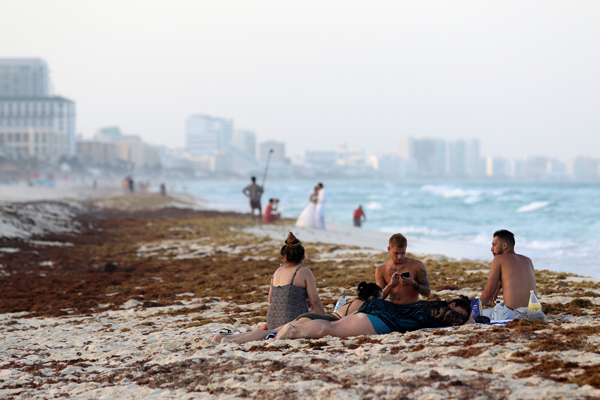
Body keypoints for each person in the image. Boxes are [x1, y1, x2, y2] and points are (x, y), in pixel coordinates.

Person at [217, 282, 382, 344]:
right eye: (379, 299)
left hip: (311, 317)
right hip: (320, 320)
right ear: (372, 297)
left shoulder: (351, 299)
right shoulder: (364, 306)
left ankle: (227, 338)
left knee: (269, 331)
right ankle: (232, 341)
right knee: (270, 332)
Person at [275, 297, 473, 341]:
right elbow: (456, 320)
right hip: (384, 319)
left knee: (333, 324)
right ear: (453, 305)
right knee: (332, 329)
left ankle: (293, 328)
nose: (459, 318)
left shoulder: (430, 304)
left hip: (378, 308)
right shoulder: (440, 308)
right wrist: (471, 316)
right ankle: (294, 331)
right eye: (460, 313)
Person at [479, 230, 537, 319]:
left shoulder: (498, 259)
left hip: (512, 314)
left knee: (478, 314)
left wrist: (472, 307)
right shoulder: (527, 260)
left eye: (494, 245)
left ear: (504, 245)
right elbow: (518, 279)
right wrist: (499, 286)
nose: (491, 248)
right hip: (534, 312)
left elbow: (488, 294)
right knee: (499, 307)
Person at [375, 233, 431, 305]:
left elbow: (428, 293)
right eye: (396, 253)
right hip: (393, 308)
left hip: (412, 308)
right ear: (389, 249)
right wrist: (390, 285)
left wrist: (413, 283)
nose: (400, 257)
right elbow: (378, 298)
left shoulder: (417, 265)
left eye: (402, 253)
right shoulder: (381, 269)